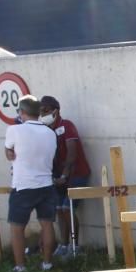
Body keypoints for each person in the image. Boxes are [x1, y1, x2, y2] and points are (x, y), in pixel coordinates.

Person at [5, 95, 58, 272]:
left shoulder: (14, 130)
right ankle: (47, 263)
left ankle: (20, 266)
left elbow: (9, 153)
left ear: (22, 112)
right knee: (47, 225)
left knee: (17, 227)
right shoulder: (51, 133)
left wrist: (10, 152)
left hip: (23, 186)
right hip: (46, 184)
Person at [40, 96, 90, 256]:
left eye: (46, 110)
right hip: (59, 177)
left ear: (56, 110)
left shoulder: (66, 126)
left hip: (76, 175)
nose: (43, 113)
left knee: (67, 208)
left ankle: (76, 247)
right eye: (40, 111)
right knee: (59, 210)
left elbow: (72, 153)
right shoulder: (46, 130)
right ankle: (64, 245)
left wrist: (64, 175)